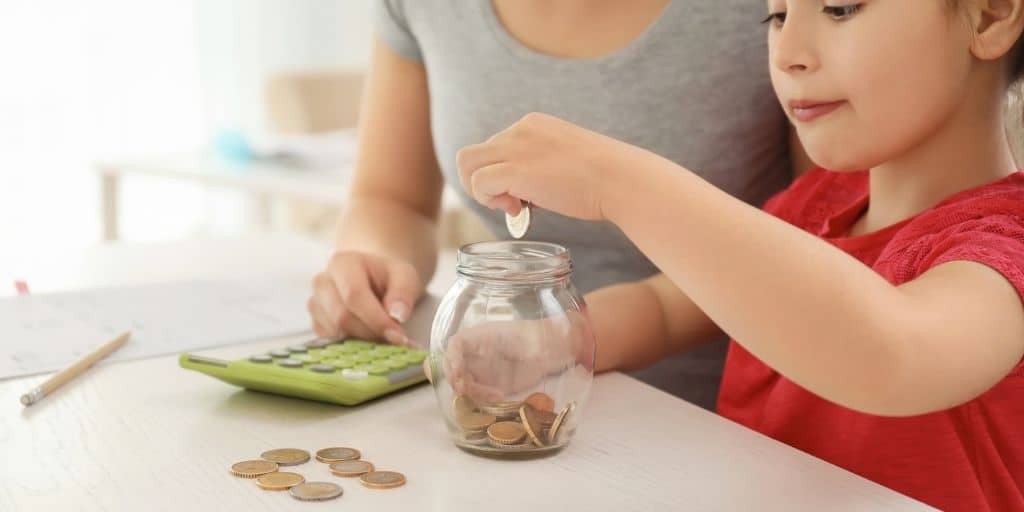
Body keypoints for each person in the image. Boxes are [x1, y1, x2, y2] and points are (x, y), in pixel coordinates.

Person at [453, 0, 1024, 509]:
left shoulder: (1006, 245)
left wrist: (619, 182)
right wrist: (548, 340)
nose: (790, 53)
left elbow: (893, 356)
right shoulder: (815, 204)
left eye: (841, 9)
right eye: (776, 16)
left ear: (991, 14)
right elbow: (671, 305)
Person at [306, 0, 811, 410]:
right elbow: (392, 199)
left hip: (734, 419)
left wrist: (567, 339)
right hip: (510, 389)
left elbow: (819, 237)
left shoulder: (786, 18)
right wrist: (374, 265)